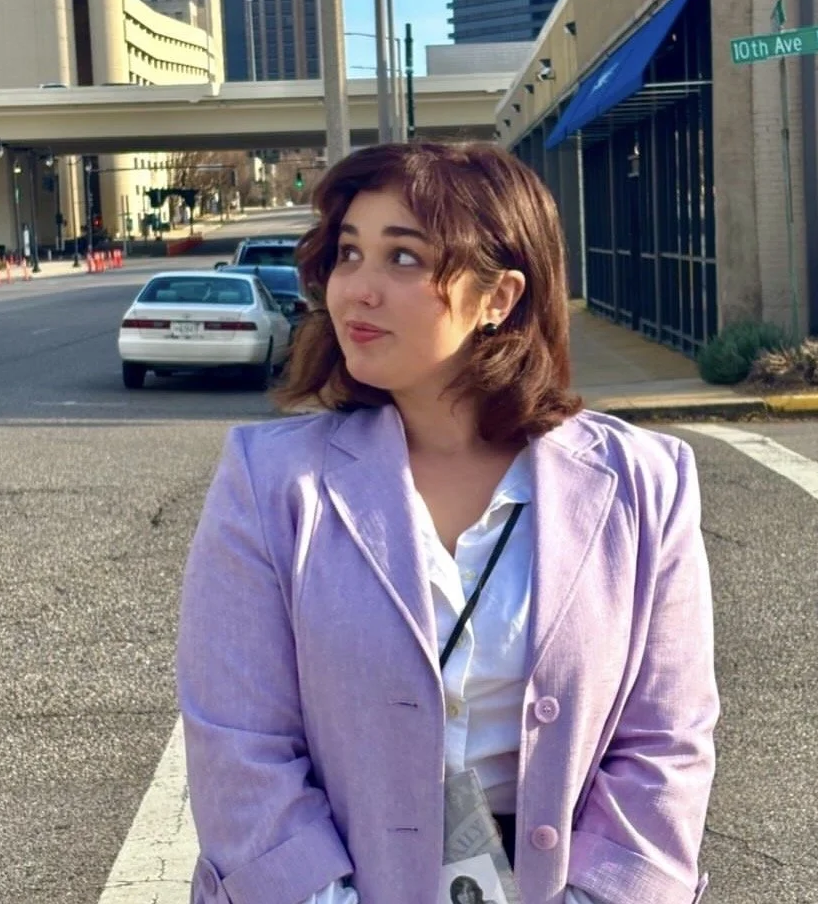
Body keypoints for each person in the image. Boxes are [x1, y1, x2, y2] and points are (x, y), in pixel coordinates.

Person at [177, 141, 719, 904]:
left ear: (498, 297)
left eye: (403, 260)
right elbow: (237, 740)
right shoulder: (272, 482)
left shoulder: (642, 484)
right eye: (348, 254)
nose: (357, 290)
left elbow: (664, 739)